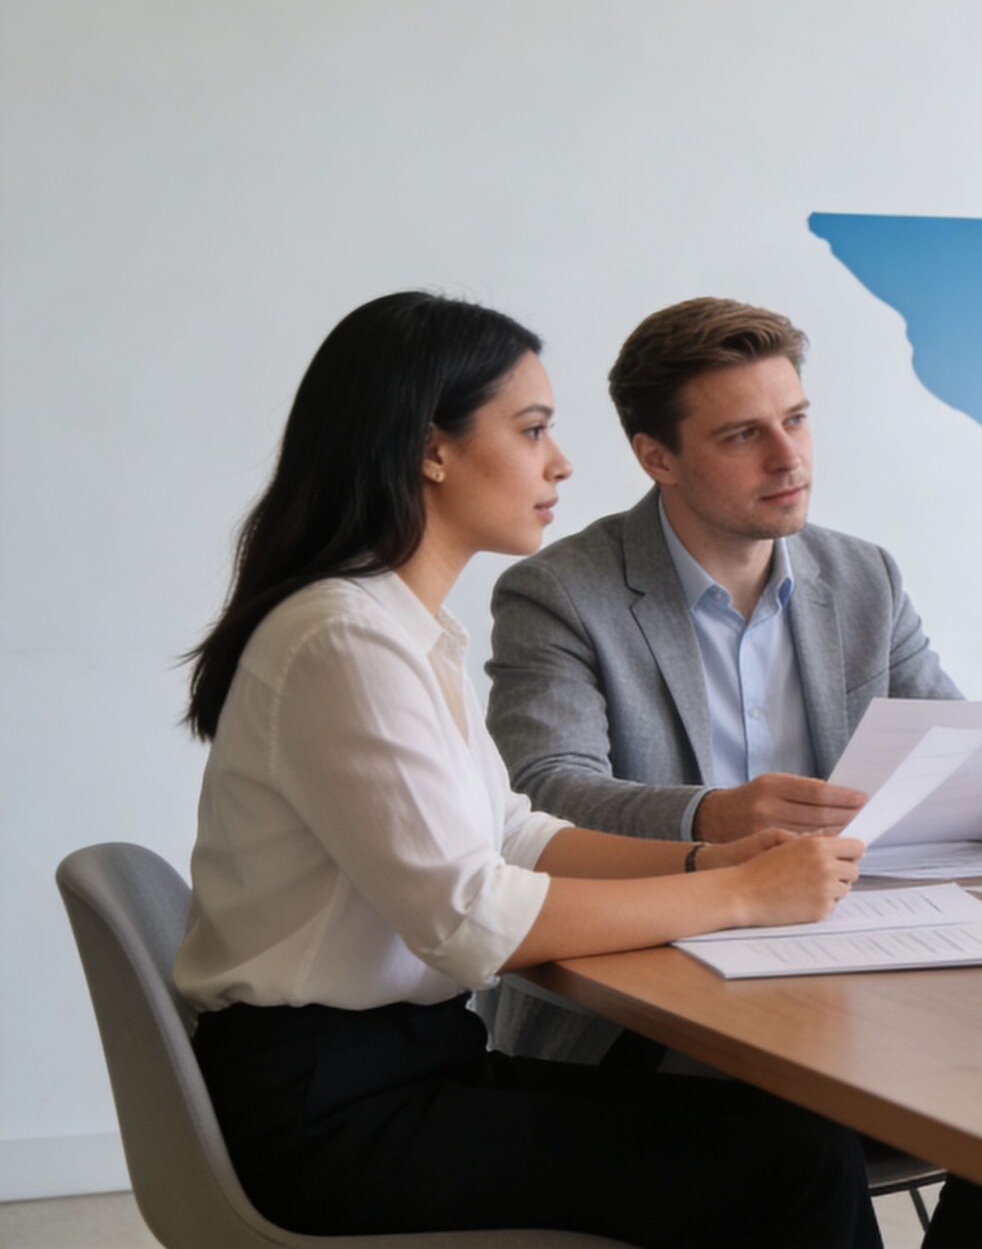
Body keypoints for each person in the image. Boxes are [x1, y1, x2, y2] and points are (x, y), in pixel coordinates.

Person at [176, 292, 878, 1246]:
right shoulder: (344, 640)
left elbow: (516, 834)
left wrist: (703, 867)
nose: (562, 462)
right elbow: (473, 920)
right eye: (533, 429)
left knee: (798, 1144)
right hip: (332, 1115)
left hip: (393, 1069)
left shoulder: (395, 625)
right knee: (796, 1168)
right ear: (433, 450)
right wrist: (744, 897)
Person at [482, 296, 982, 1247]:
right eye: (743, 435)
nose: (788, 458)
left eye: (796, 420)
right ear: (656, 456)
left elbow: (949, 755)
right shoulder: (562, 594)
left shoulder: (863, 578)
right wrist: (713, 815)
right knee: (800, 1135)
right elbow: (540, 794)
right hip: (650, 999)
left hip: (844, 970)